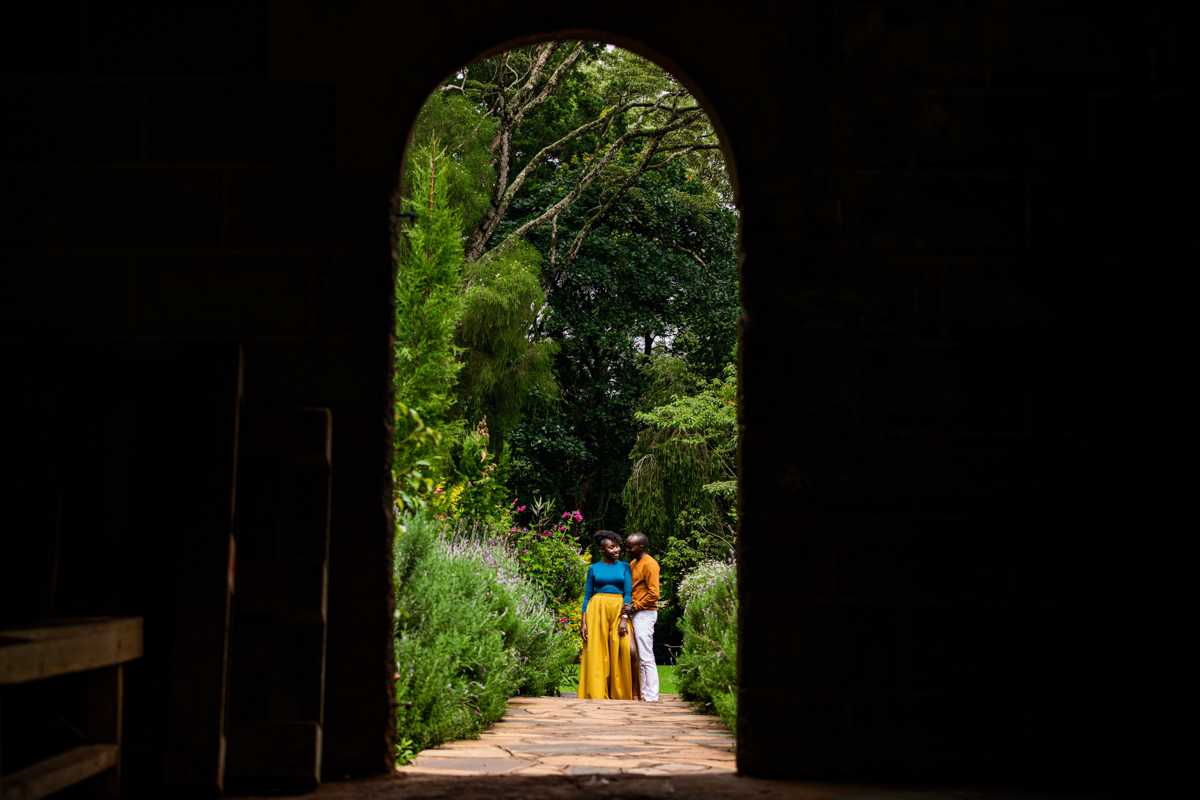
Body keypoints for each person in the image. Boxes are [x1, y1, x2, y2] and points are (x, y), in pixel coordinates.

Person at [578, 529, 634, 699]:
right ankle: (595, 692)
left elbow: (628, 593)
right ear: (602, 549)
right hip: (597, 610)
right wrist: (584, 622)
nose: (616, 550)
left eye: (617, 547)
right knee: (596, 651)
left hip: (618, 609)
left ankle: (620, 693)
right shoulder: (593, 568)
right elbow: (587, 595)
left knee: (624, 649)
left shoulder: (625, 566)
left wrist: (624, 618)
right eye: (611, 548)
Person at [623, 532, 660, 701]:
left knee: (646, 655)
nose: (627, 549)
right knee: (638, 655)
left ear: (641, 547)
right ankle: (645, 694)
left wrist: (635, 607)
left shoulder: (650, 564)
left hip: (644, 613)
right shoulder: (633, 563)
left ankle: (651, 696)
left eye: (630, 547)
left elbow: (654, 594)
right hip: (634, 612)